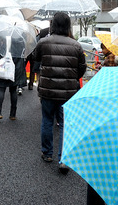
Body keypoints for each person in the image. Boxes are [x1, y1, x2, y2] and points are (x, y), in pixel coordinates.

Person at [35, 12, 86, 175]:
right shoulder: (76, 45)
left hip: (47, 89)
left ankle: (47, 153)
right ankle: (63, 159)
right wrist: (71, 77)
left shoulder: (44, 42)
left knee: (47, 120)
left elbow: (36, 58)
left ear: (53, 25)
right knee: (65, 124)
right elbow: (82, 68)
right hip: (68, 91)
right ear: (68, 26)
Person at [0, 52, 26, 122]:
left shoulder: (5, 41)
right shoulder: (20, 41)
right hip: (16, 68)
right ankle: (13, 114)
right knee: (13, 90)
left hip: (5, 67)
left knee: (1, 89)